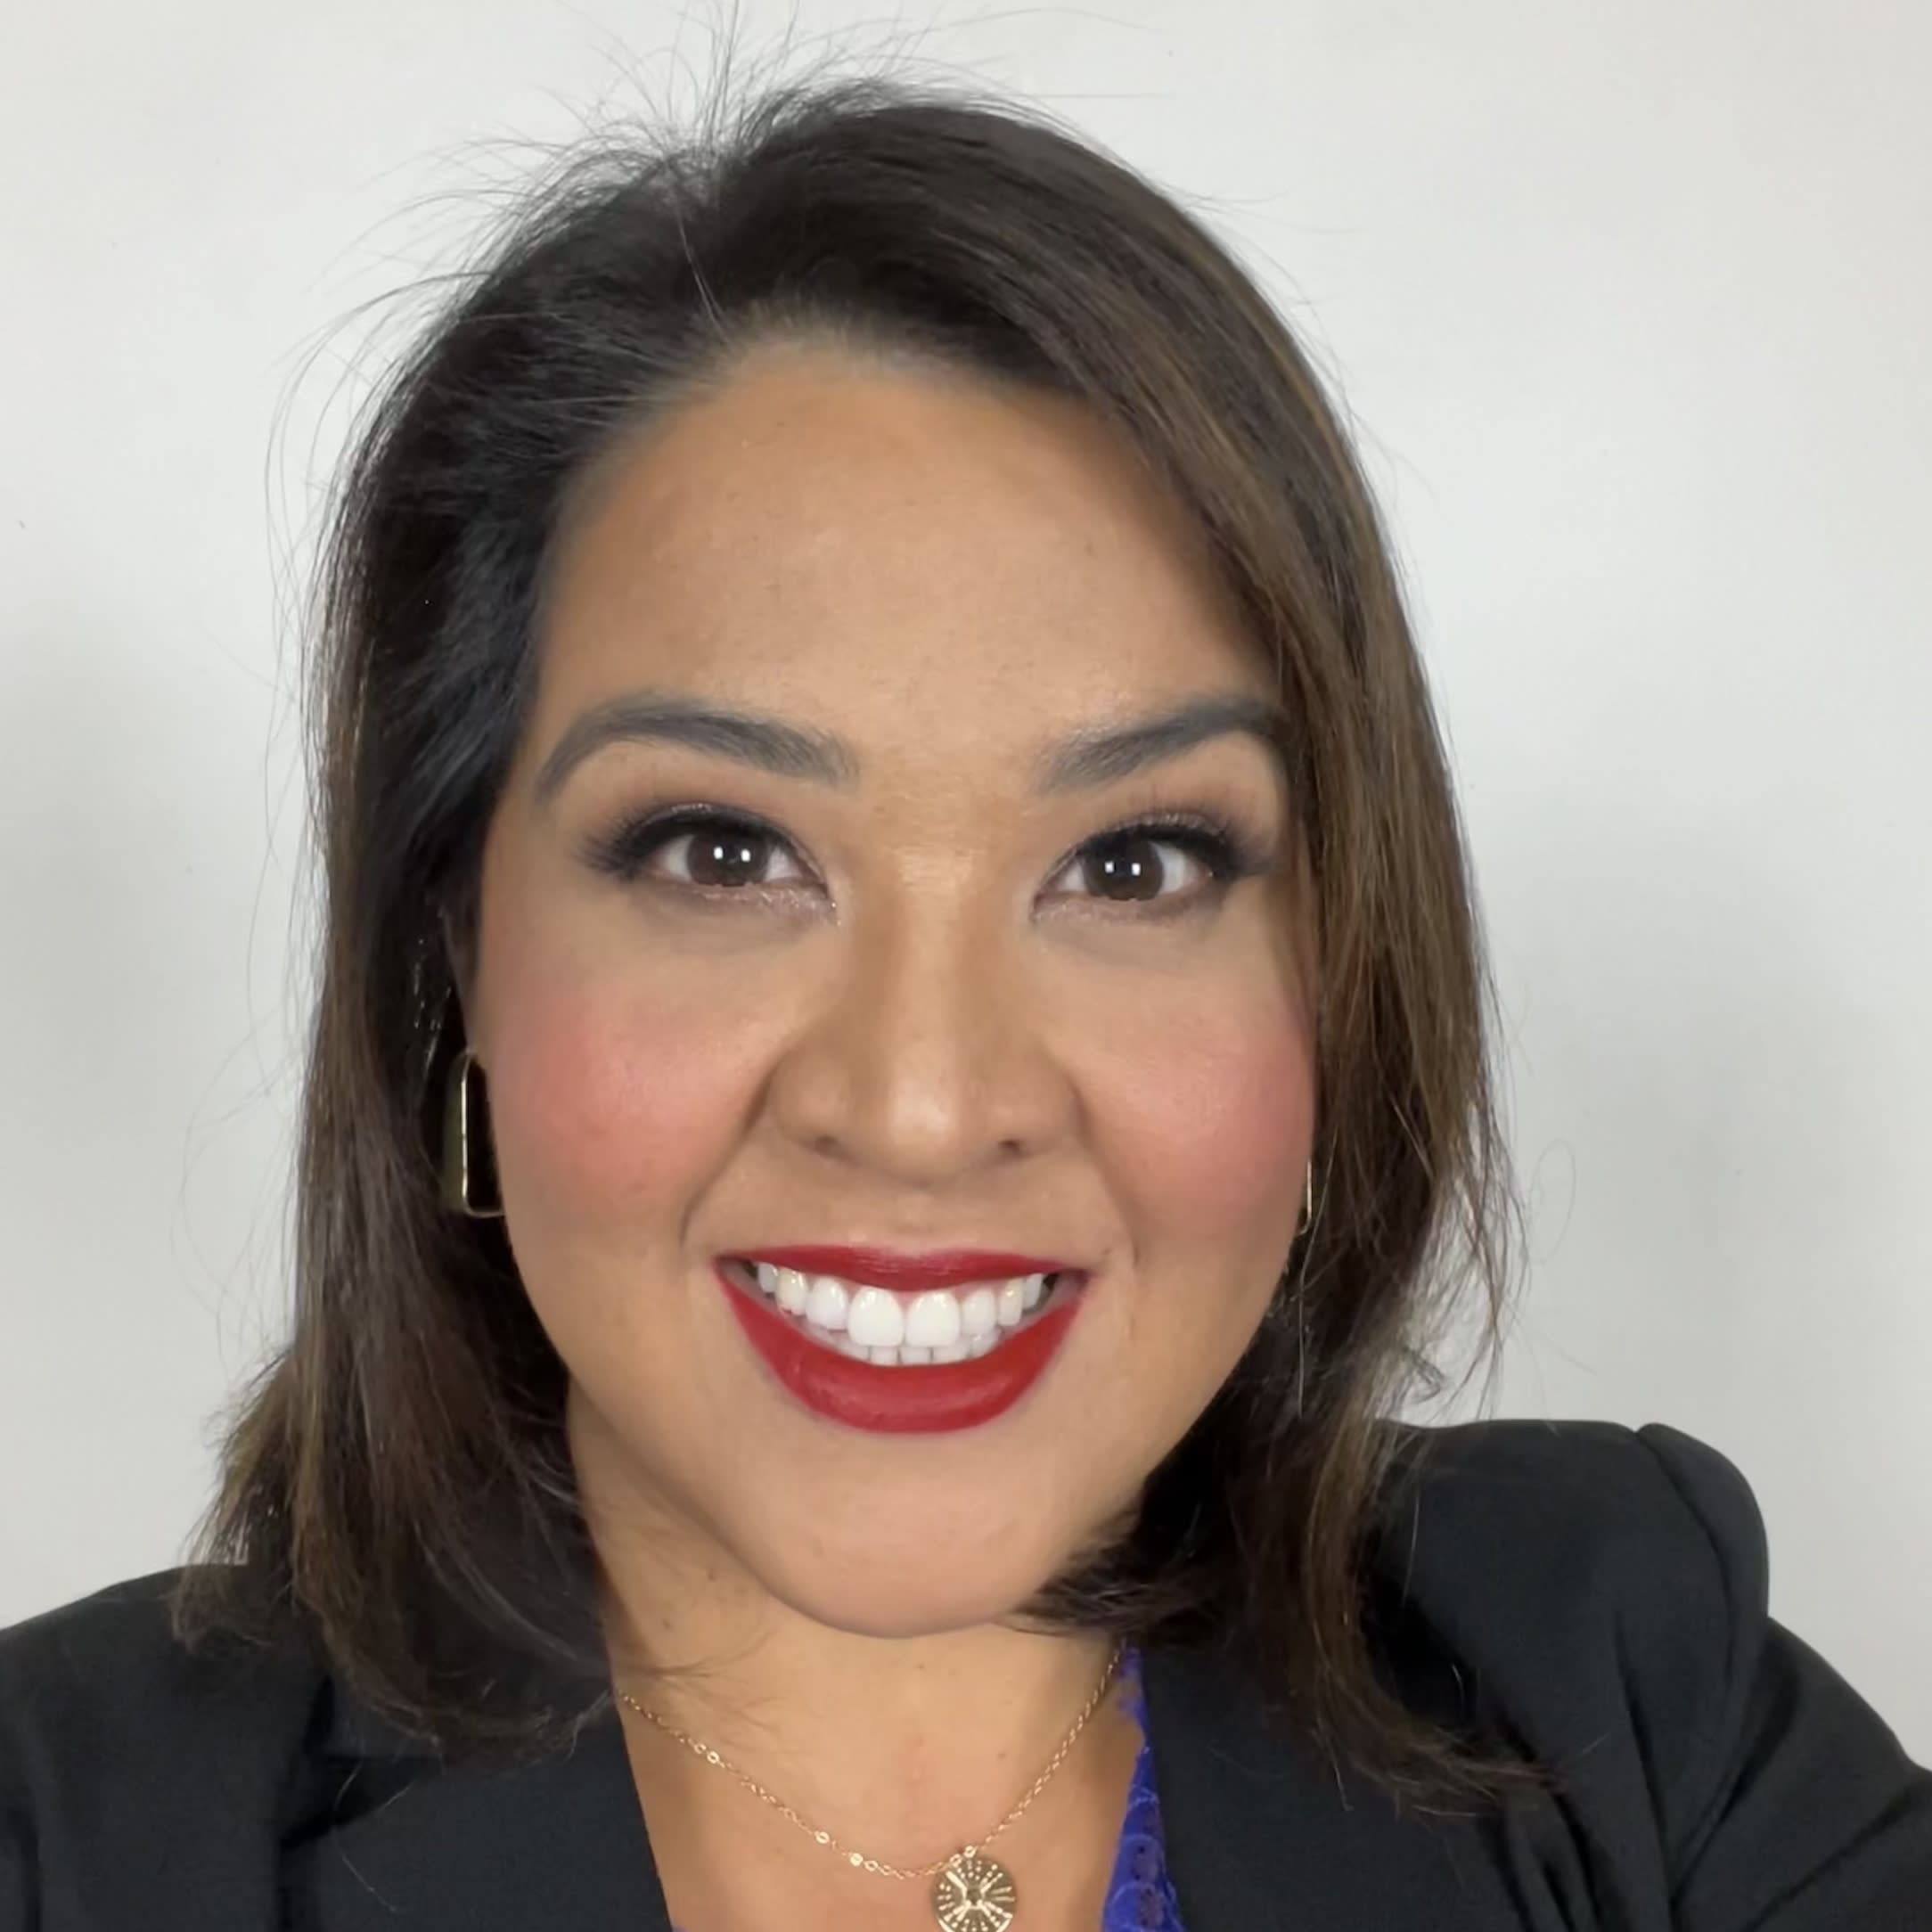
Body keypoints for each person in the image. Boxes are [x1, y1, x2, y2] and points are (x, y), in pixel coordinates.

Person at [1, 70, 1927, 1932]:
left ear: (1341, 978)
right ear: (453, 957)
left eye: (1133, 863)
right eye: (722, 853)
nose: (924, 1105)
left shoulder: (1620, 1689)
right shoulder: (61, 1835)